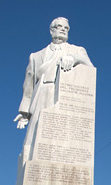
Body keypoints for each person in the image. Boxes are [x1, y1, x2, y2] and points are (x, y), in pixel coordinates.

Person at [13, 17, 93, 162]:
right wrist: (25, 113)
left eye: (66, 28)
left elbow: (90, 67)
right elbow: (28, 84)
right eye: (59, 26)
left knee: (66, 139)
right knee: (35, 136)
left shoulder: (77, 50)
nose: (63, 29)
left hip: (66, 95)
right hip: (42, 93)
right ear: (51, 30)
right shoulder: (36, 56)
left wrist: (74, 58)